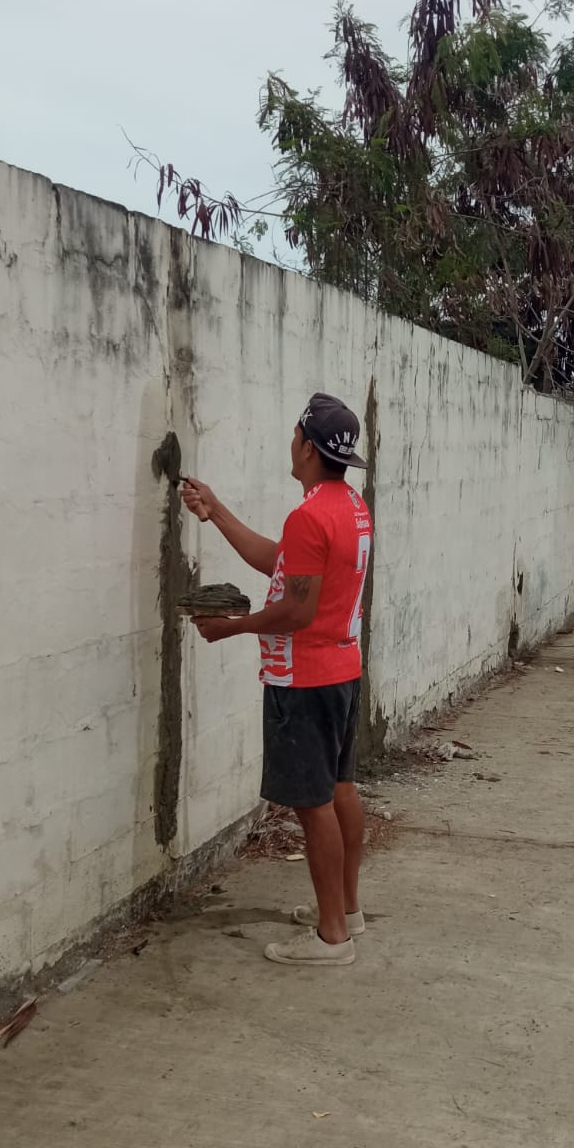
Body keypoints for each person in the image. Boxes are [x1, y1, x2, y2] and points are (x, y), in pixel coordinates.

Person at [181, 393, 372, 966]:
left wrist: (232, 627)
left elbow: (296, 609)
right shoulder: (349, 506)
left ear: (308, 448)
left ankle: (332, 938)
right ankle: (347, 911)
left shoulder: (309, 515)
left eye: (295, 436)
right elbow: (283, 564)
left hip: (305, 681)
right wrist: (216, 511)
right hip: (342, 670)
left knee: (314, 805)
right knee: (339, 790)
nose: (291, 444)